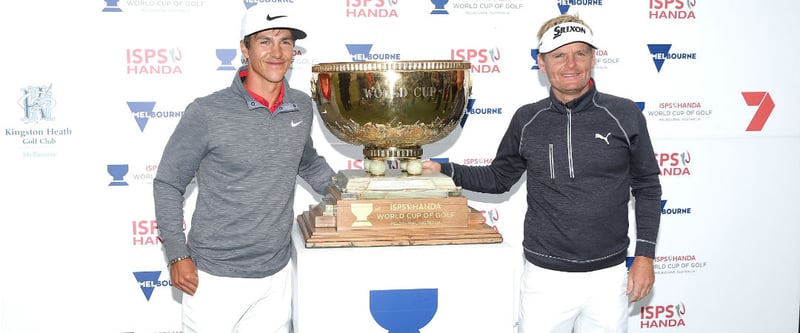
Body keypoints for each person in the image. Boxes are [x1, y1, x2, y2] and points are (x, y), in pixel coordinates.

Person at [422, 14, 662, 333]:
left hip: (609, 278)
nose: (571, 64)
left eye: (580, 53)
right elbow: (498, 179)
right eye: (559, 55)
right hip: (545, 279)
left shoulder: (624, 114)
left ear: (593, 57)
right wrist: (445, 170)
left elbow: (647, 187)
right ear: (542, 62)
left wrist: (644, 256)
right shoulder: (527, 120)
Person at [153, 4, 335, 332]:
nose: (277, 52)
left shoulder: (303, 106)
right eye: (264, 41)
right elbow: (168, 182)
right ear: (244, 49)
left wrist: (353, 193)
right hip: (213, 278)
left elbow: (307, 163)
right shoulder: (207, 113)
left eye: (285, 41)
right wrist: (177, 255)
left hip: (277, 274)